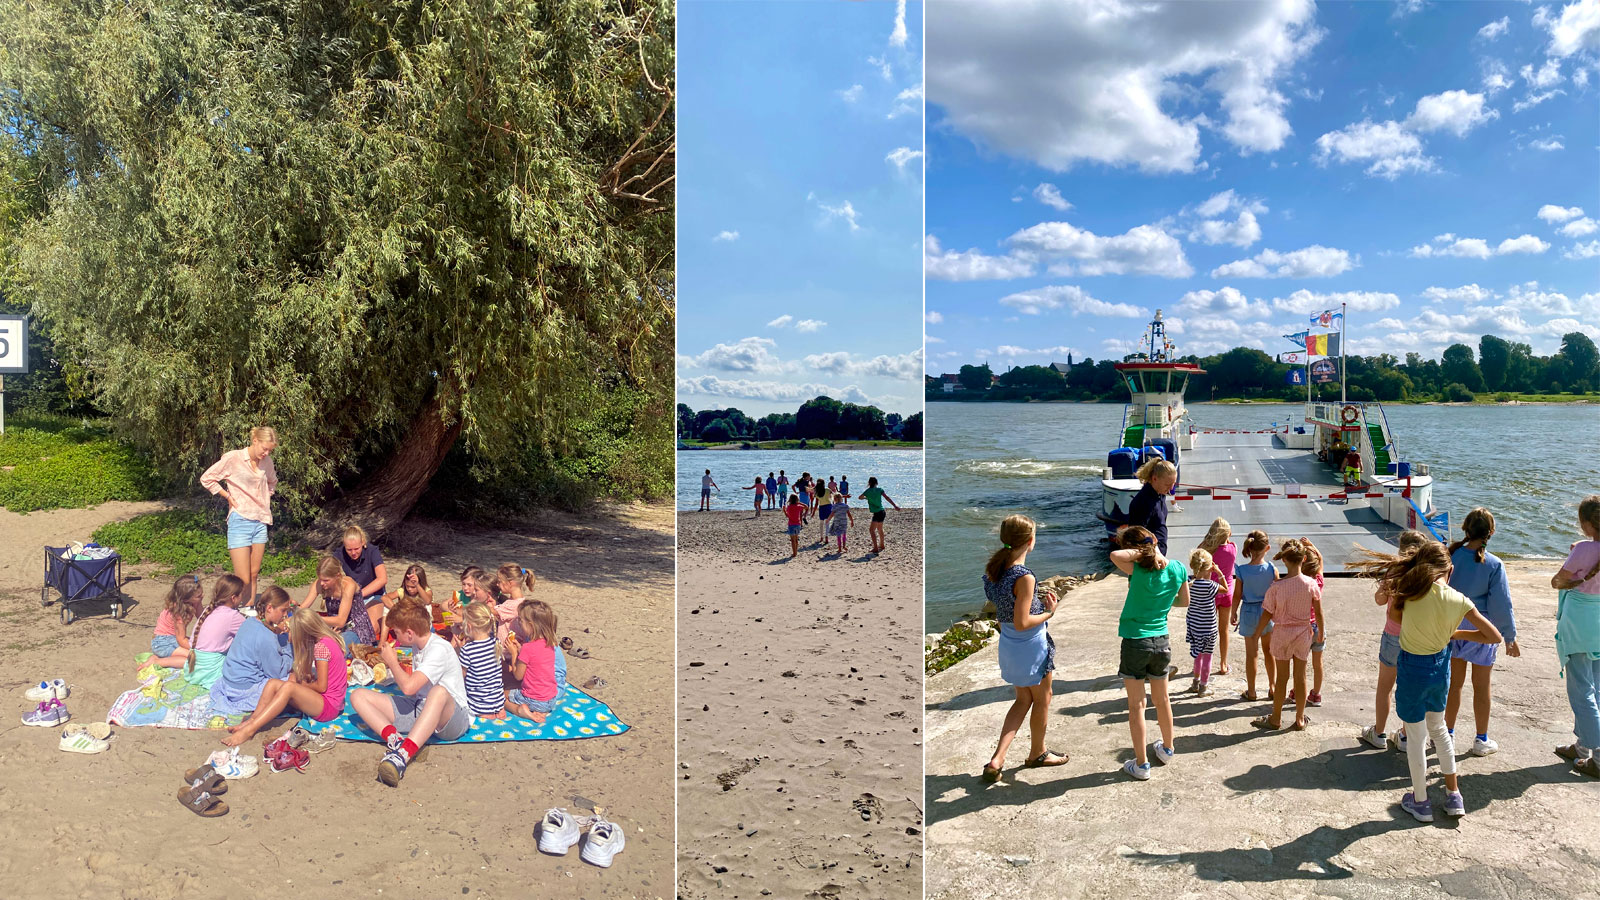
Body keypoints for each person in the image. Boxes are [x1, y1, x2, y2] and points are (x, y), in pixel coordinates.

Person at [1351, 542, 1502, 822]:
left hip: (1412, 669)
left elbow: (1394, 617)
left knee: (1417, 737)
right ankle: (1454, 794)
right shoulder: (1458, 599)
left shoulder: (1409, 595)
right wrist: (1457, 634)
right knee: (1439, 730)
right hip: (1440, 668)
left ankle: (1420, 801)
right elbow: (1494, 636)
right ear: (1450, 569)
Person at [980, 515, 1066, 782]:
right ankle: (1037, 754)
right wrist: (1049, 612)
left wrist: (1036, 605)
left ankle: (998, 758)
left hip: (1009, 646)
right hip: (1030, 646)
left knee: (1022, 700)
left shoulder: (995, 570)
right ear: (1030, 542)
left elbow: (1008, 611)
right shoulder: (1024, 576)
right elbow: (1023, 621)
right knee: (1042, 699)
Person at [351, 599, 473, 786]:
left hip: (452, 718)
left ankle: (403, 755)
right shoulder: (418, 643)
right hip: (421, 708)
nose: (396, 637)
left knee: (438, 692)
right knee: (357, 695)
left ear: (409, 633)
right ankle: (396, 740)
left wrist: (392, 662)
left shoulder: (438, 649)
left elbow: (409, 687)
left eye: (396, 633)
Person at [1111, 525, 1190, 781]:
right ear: (1155, 539)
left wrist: (1142, 551)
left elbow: (1115, 556)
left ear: (1133, 548)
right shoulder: (1177, 568)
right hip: (1161, 641)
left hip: (1135, 641)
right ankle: (1167, 749)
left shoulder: (1137, 569)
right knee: (1163, 700)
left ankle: (1142, 764)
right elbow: (1183, 601)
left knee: (1137, 705)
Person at [1440, 508, 1520, 757]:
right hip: (1480, 631)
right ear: (1491, 533)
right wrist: (1509, 636)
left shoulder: (1450, 556)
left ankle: (1448, 735)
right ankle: (1481, 739)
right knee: (1481, 687)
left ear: (1465, 529)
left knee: (1454, 685)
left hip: (1452, 627)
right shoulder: (1494, 564)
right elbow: (1501, 604)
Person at [222, 604, 348, 747]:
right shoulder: (324, 640)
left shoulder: (321, 648)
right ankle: (252, 721)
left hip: (329, 706)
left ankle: (250, 730)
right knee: (273, 683)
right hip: (328, 700)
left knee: (289, 687)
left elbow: (322, 687)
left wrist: (301, 684)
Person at [1360, 531, 1431, 751]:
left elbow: (1380, 600)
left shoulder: (1394, 571)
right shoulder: (1426, 575)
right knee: (1409, 688)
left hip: (1393, 636)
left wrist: (1386, 589)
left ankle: (1379, 732)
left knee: (1385, 687)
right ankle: (1405, 735)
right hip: (1417, 637)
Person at [200, 426, 279, 606]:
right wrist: (227, 496)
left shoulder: (267, 462)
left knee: (254, 572)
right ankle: (230, 609)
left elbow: (272, 482)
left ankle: (249, 607)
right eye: (264, 448)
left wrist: (265, 496)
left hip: (260, 520)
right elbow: (207, 478)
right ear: (255, 441)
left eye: (270, 450)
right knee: (242, 577)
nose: (266, 453)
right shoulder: (233, 458)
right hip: (240, 520)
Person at [1249, 539, 1321, 732]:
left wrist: (1256, 634)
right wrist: (1320, 632)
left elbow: (1267, 613)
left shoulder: (1276, 587)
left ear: (1285, 561)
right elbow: (1319, 612)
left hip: (1281, 633)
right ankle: (1299, 719)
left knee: (1282, 678)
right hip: (1303, 633)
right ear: (1304, 559)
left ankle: (1276, 718)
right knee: (1301, 677)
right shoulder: (1311, 584)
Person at [1552, 495, 1600, 778]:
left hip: (1579, 623)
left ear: (1585, 523)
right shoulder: (1583, 549)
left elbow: (1557, 581)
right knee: (1596, 686)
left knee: (1581, 691)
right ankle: (1582, 748)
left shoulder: (1583, 549)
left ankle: (1598, 756)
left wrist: (1576, 557)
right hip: (1598, 623)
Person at [209, 587, 296, 717]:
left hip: (229, 682)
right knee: (294, 680)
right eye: (283, 610)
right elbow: (277, 673)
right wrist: (290, 645)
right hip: (243, 690)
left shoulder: (250, 622)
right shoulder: (265, 637)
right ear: (269, 608)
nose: (285, 615)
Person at [1233, 530, 1278, 701]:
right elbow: (1276, 593)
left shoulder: (1242, 570)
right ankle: (1272, 687)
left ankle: (1251, 691)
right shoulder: (1272, 569)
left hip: (1249, 612)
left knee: (1251, 654)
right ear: (1267, 548)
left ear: (1249, 548)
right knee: (1269, 652)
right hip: (1267, 612)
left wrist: (1233, 612)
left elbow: (1237, 595)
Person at [505, 601, 567, 724]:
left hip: (534, 700)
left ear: (531, 625)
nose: (519, 624)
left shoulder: (528, 648)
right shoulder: (550, 643)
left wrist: (514, 654)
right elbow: (536, 661)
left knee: (500, 695)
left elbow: (518, 676)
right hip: (551, 699)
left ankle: (520, 710)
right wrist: (521, 651)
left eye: (521, 621)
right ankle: (541, 710)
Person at [185, 575, 249, 688]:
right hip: (211, 668)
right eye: (241, 595)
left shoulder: (209, 609)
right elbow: (254, 631)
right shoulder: (232, 616)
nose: (242, 599)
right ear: (233, 598)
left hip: (194, 666)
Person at [302, 556, 372, 651]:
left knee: (333, 649)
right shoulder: (319, 584)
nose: (322, 583)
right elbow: (303, 608)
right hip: (333, 627)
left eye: (326, 580)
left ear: (337, 576)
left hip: (355, 627)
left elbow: (341, 621)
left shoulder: (348, 585)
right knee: (304, 639)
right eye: (320, 579)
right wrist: (293, 613)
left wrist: (315, 618)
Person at [452, 602, 506, 720]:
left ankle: (485, 713)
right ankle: (498, 709)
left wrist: (459, 652)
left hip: (479, 704)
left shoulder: (468, 650)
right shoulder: (496, 643)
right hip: (498, 700)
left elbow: (461, 675)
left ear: (469, 627)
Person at [1198, 519, 1237, 674]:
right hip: (1226, 592)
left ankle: (1202, 663)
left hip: (1210, 592)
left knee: (1206, 629)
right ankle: (1223, 664)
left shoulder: (1206, 551)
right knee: (1224, 630)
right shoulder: (1232, 548)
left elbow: (1198, 553)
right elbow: (1229, 542)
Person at [145, 576, 204, 670]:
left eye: (201, 593)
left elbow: (202, 618)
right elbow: (181, 639)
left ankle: (162, 657)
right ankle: (158, 661)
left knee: (202, 650)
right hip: (163, 642)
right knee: (196, 659)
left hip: (173, 638)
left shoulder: (194, 602)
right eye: (198, 596)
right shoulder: (178, 612)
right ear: (186, 599)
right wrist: (198, 649)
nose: (202, 596)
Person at [1185, 549, 1220, 697]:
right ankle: (1203, 687)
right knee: (1207, 657)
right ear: (1208, 567)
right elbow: (1225, 590)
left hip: (1194, 626)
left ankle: (1195, 682)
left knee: (1197, 656)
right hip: (1208, 628)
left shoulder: (1188, 583)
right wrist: (1219, 573)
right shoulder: (1210, 585)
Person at [1125, 458, 1175, 555]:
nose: (1171, 488)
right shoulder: (1143, 502)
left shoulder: (1160, 494)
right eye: (1167, 484)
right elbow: (1135, 536)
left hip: (1159, 554)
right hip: (1149, 558)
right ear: (1154, 479)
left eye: (1173, 484)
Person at [338, 526, 388, 623]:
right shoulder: (340, 553)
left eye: (357, 548)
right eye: (349, 549)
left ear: (363, 543)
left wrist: (359, 594)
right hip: (352, 596)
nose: (353, 553)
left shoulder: (372, 551)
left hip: (374, 595)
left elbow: (382, 579)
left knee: (371, 625)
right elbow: (328, 571)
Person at [379, 564, 433, 638]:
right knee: (386, 607)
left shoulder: (426, 591)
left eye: (413, 587)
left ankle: (422, 636)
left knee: (427, 606)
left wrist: (417, 585)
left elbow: (428, 601)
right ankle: (382, 640)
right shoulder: (402, 591)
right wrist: (396, 609)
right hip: (405, 620)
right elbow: (384, 598)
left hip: (420, 623)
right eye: (408, 586)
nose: (410, 589)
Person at [858, 477, 901, 554]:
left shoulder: (868, 491)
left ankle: (875, 548)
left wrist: (866, 498)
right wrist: (894, 506)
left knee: (871, 530)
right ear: (876, 483)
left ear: (869, 483)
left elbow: (860, 497)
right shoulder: (880, 490)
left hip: (877, 513)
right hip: (882, 511)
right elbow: (887, 498)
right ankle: (882, 545)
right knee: (880, 529)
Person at [493, 564, 536, 638]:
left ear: (510, 583)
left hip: (507, 647)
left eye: (500, 581)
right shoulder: (518, 601)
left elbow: (492, 612)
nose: (497, 584)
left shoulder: (514, 605)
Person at [784, 493, 805, 558]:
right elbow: (806, 507)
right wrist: (800, 503)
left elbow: (787, 516)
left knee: (792, 540)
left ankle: (794, 553)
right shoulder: (799, 506)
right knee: (796, 539)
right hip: (798, 524)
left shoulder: (789, 507)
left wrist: (784, 511)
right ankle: (796, 552)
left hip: (791, 524)